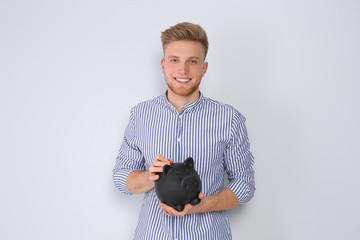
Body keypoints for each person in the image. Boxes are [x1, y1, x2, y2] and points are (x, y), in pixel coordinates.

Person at [113, 22, 255, 240]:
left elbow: (244, 184)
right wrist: (151, 177)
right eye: (174, 60)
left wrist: (203, 205)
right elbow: (122, 177)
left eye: (192, 61)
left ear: (204, 68)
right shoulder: (140, 115)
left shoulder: (229, 118)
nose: (183, 70)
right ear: (163, 65)